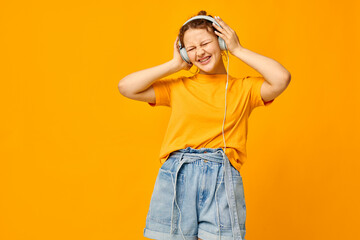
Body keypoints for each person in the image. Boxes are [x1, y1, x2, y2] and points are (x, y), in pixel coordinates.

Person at [118, 10, 291, 240]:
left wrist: (237, 49)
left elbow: (282, 78)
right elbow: (126, 87)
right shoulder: (177, 87)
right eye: (190, 48)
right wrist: (173, 65)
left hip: (222, 176)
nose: (199, 52)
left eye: (205, 43)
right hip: (178, 174)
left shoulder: (244, 89)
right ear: (184, 54)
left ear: (221, 42)